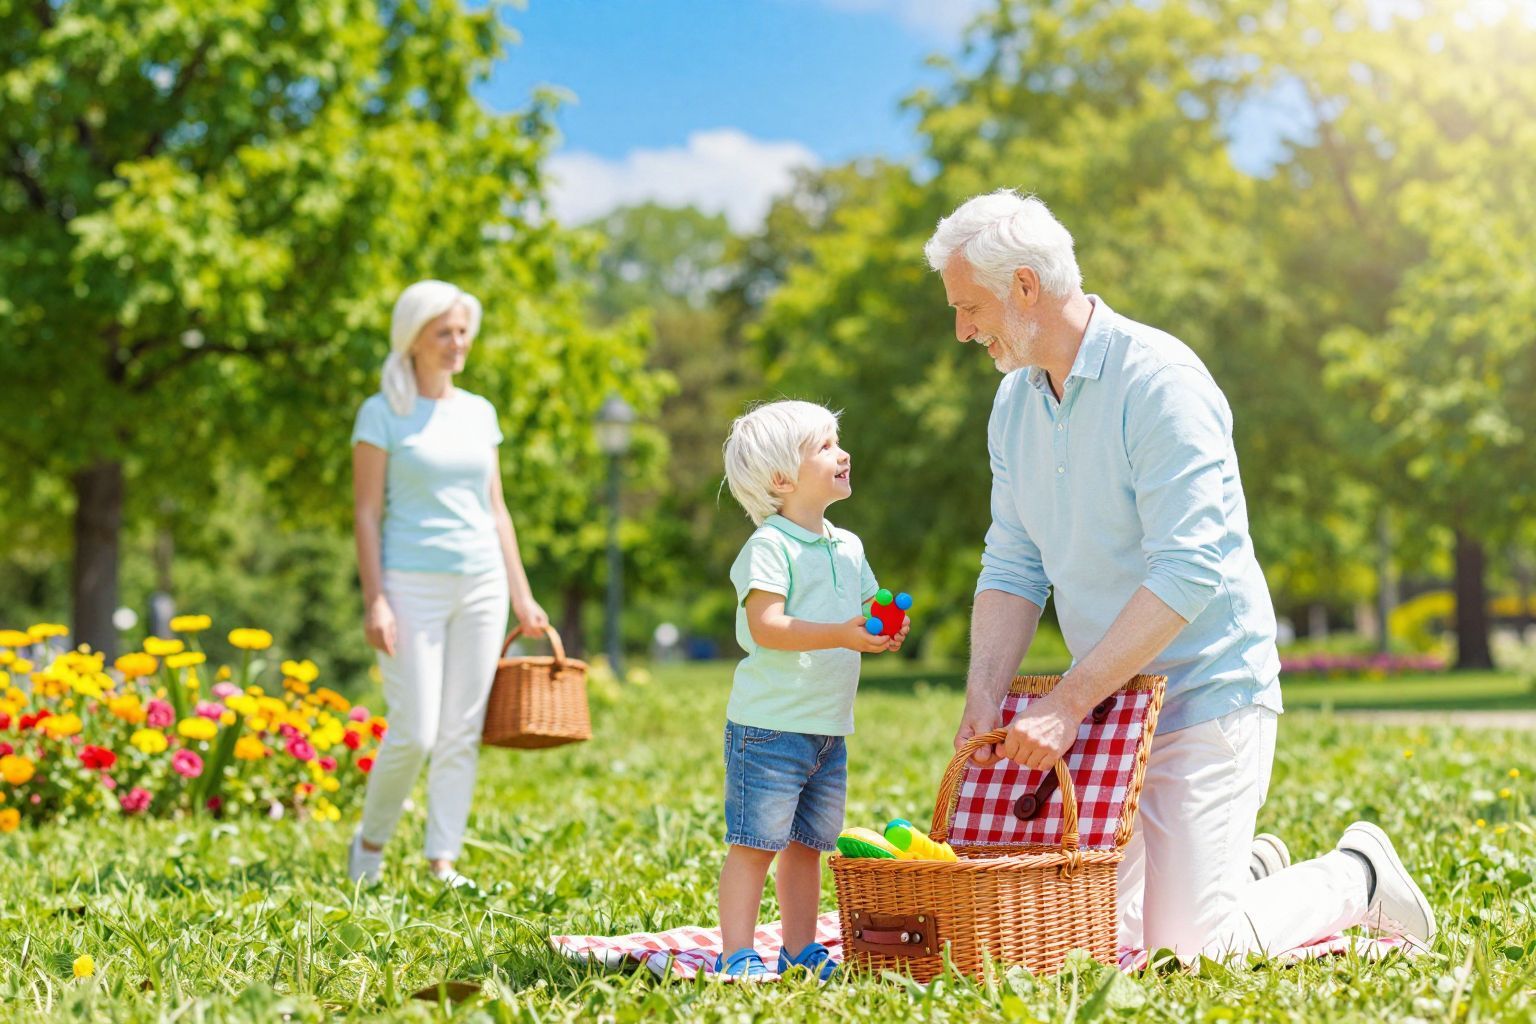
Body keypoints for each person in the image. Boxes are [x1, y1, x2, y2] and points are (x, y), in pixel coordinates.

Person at [925, 190, 1435, 957]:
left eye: (970, 308)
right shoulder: (1014, 405)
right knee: (1091, 939)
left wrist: (1066, 703)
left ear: (1025, 286)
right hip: (1115, 705)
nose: (963, 330)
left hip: (1206, 690)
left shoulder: (1160, 381)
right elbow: (1014, 564)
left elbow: (1189, 570)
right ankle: (1246, 872)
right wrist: (984, 695)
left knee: (1189, 953)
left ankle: (1355, 875)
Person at [347, 279, 548, 889]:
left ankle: (442, 860)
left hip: (482, 582)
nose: (458, 342)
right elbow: (365, 513)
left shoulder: (479, 412)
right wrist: (376, 600)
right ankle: (370, 846)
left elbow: (496, 509)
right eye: (444, 332)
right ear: (414, 338)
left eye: (463, 331)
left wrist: (522, 594)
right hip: (410, 586)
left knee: (461, 729)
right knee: (415, 730)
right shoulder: (381, 413)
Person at [715, 399, 909, 979]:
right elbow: (765, 626)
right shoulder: (771, 545)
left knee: (808, 846)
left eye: (837, 441)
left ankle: (799, 950)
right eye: (825, 446)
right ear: (782, 479)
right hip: (770, 728)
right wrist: (842, 634)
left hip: (827, 727)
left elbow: (867, 607)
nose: (843, 453)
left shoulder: (848, 546)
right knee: (755, 844)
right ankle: (736, 954)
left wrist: (884, 626)